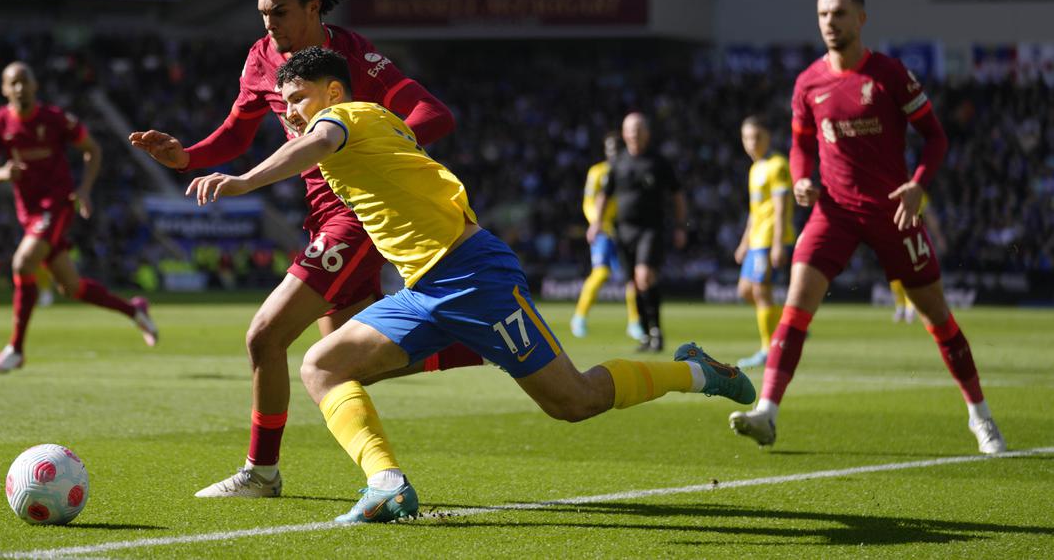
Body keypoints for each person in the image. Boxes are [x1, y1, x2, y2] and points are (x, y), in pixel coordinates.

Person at [186, 46, 755, 523]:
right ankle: (386, 483)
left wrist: (243, 182)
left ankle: (698, 371)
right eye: (283, 102)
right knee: (322, 365)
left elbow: (312, 144)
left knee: (574, 401)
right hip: (422, 289)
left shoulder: (348, 118)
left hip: (475, 277)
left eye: (300, 97)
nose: (290, 111)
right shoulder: (364, 127)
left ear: (334, 92)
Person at [128, 0, 481, 499]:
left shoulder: (355, 57)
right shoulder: (260, 58)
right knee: (343, 363)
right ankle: (471, 343)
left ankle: (261, 472)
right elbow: (238, 133)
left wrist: (377, 147)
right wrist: (188, 156)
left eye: (282, 13)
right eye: (264, 13)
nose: (270, 25)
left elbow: (434, 114)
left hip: (356, 215)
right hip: (319, 216)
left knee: (265, 337)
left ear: (315, 8)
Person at [728, 0, 1005, 454]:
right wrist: (800, 178)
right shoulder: (808, 83)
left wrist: (919, 183)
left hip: (891, 210)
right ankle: (767, 413)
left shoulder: (890, 75)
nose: (829, 23)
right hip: (833, 211)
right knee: (794, 306)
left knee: (936, 315)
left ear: (861, 19)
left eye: (838, 13)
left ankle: (980, 417)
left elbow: (935, 137)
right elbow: (800, 143)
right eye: (822, 14)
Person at [0, 62, 158, 373]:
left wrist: (85, 190)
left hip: (57, 205)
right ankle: (134, 310)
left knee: (22, 264)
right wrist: (2, 173)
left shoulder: (55, 119)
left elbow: (93, 150)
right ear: (4, 89)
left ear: (35, 85)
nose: (20, 88)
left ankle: (16, 349)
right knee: (71, 288)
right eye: (13, 83)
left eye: (25, 81)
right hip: (29, 212)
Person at [586, 113, 688, 352]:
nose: (634, 134)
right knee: (634, 284)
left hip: (650, 229)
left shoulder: (659, 162)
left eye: (639, 129)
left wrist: (681, 226)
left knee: (644, 277)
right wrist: (596, 223)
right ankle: (645, 334)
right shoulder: (618, 162)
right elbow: (604, 195)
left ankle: (656, 331)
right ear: (624, 134)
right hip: (624, 231)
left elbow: (678, 195)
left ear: (647, 133)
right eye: (630, 130)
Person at [732, 116, 795, 368]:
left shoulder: (777, 165)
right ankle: (788, 325)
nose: (751, 143)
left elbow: (780, 209)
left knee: (760, 291)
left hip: (770, 238)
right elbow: (754, 210)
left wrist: (778, 243)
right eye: (747, 138)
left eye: (756, 137)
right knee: (744, 291)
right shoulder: (754, 168)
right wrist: (744, 242)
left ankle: (768, 349)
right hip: (756, 239)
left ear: (767, 137)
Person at [569, 133, 639, 339]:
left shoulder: (629, 169)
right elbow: (588, 201)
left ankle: (635, 322)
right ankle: (579, 317)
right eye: (609, 151)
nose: (612, 155)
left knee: (632, 279)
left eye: (615, 151)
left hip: (624, 230)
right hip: (604, 230)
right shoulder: (597, 172)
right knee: (601, 273)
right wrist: (597, 223)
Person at [889, 197, 944, 323]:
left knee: (911, 273)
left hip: (913, 237)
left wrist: (939, 237)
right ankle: (901, 306)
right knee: (894, 274)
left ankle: (910, 307)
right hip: (893, 237)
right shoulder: (889, 190)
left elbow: (930, 217)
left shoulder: (917, 192)